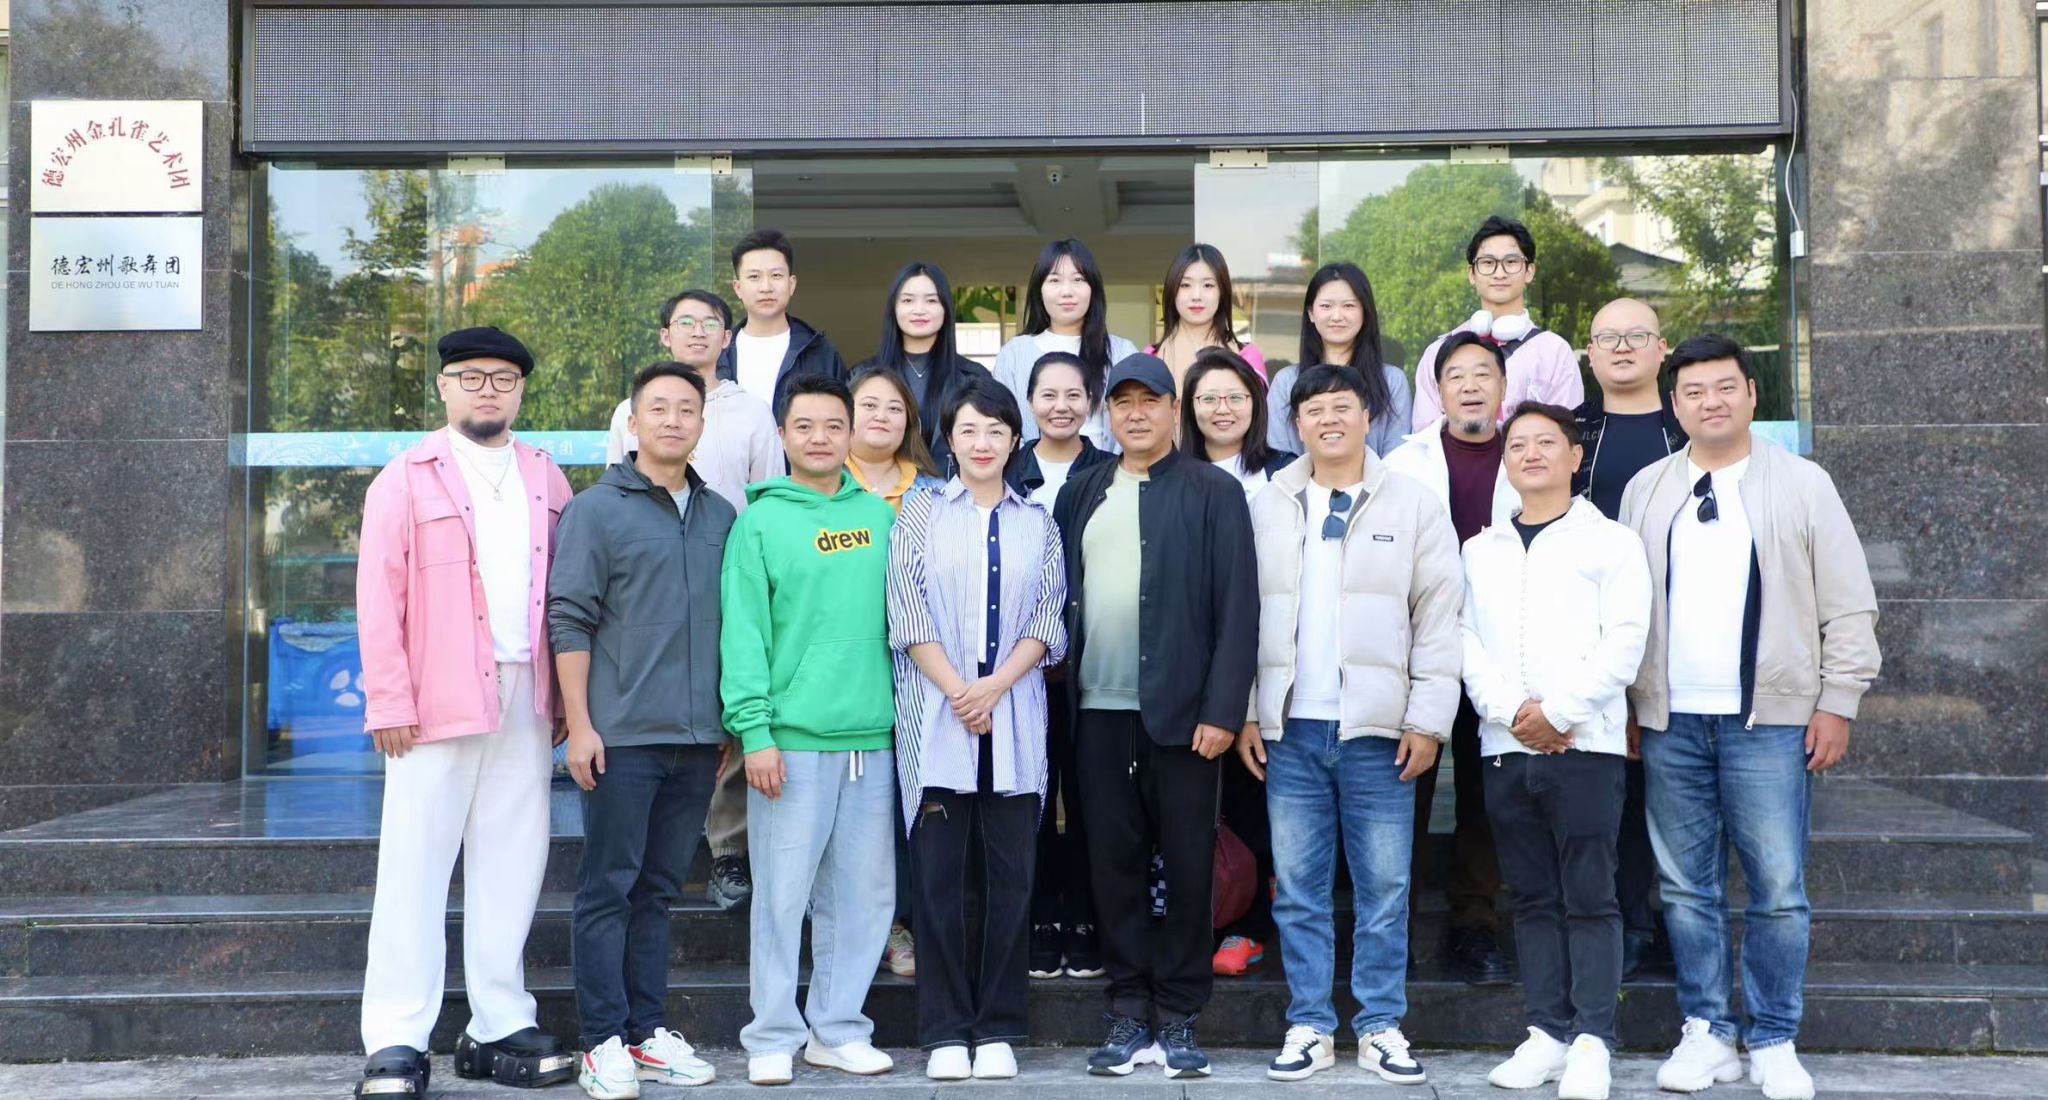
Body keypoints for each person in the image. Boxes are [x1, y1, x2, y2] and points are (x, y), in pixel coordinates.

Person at [1621, 335, 1880, 1100]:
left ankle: (1773, 1037)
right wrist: (1632, 704)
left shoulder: (1801, 484)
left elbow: (1849, 603)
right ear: (1674, 405)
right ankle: (1707, 1031)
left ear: (1751, 394)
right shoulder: (1647, 489)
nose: (1712, 402)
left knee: (1778, 886)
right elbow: (1627, 609)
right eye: (1695, 391)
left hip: (1770, 721)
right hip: (1671, 721)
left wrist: (1838, 702)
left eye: (1725, 387)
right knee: (1685, 889)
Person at [352, 326, 576, 1099]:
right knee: (414, 865)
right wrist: (389, 698)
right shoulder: (405, 478)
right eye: (472, 377)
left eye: (503, 378)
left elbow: (565, 594)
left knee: (513, 860)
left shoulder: (547, 477)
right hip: (433, 697)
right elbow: (378, 597)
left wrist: (564, 697)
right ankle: (396, 1035)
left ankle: (498, 1020)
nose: (488, 390)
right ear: (445, 387)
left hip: (525, 692)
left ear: (521, 391)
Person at [1236, 363, 1462, 1087]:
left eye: (1343, 407)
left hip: (1379, 732)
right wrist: (1248, 709)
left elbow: (1439, 618)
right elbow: (1242, 616)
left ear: (1369, 417)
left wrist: (1428, 719)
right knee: (1299, 889)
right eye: (1314, 409)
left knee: (1385, 890)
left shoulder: (1414, 504)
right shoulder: (1268, 504)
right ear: (1296, 423)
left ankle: (1380, 1025)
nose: (1329, 419)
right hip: (1293, 730)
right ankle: (1309, 1023)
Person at [1053, 353, 1258, 1080]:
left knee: (1189, 864)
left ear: (1175, 410)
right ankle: (1127, 1008)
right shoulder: (1081, 491)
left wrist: (1223, 710)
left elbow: (1239, 608)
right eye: (1123, 402)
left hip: (1186, 719)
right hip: (1097, 710)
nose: (1136, 414)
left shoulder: (1213, 492)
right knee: (1113, 864)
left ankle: (1179, 1013)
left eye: (1151, 401)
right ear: (1108, 414)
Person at [553, 363, 735, 1098]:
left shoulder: (721, 514)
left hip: (697, 739)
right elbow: (569, 619)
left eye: (686, 409)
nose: (672, 420)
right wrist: (579, 725)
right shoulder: (595, 510)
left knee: (658, 889)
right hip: (621, 737)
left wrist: (726, 725)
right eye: (657, 408)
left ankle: (645, 1032)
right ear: (632, 422)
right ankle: (601, 1042)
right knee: (609, 888)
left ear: (701, 424)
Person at [1461, 403, 1651, 1100]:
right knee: (1531, 897)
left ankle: (1594, 1040)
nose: (1532, 454)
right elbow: (1463, 639)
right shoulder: (1480, 549)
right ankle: (1546, 1033)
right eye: (1519, 445)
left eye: (1547, 442)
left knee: (1591, 896)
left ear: (1575, 457)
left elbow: (1625, 642)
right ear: (1506, 461)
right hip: (1504, 746)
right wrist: (1513, 714)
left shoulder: (1612, 543)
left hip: (1586, 747)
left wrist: (1557, 714)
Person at [886, 377, 1068, 1081]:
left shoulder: (1038, 522)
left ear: (1014, 440)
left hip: (1015, 719)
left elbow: (1048, 619)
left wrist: (993, 687)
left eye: (996, 430)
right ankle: (943, 1031)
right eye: (969, 430)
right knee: (937, 886)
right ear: (949, 439)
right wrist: (962, 692)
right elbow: (906, 614)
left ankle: (997, 1027)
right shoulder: (920, 515)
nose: (983, 442)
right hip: (937, 720)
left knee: (1010, 883)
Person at [722, 374, 902, 1087]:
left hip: (873, 737)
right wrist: (755, 733)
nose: (820, 437)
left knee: (862, 898)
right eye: (805, 425)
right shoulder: (759, 523)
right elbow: (743, 635)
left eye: (834, 425)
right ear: (783, 436)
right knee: (781, 896)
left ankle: (838, 1029)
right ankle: (772, 1034)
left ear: (851, 433)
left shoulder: (882, 518)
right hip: (790, 741)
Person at [604, 290, 781, 916]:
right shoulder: (631, 408)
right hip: (651, 581)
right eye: (685, 322)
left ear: (728, 338)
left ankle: (728, 849)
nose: (698, 332)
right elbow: (617, 492)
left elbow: (767, 494)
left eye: (711, 323)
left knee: (724, 699)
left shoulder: (752, 411)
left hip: (728, 570)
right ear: (665, 334)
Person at [1383, 329, 1519, 985]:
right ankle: (1395, 932)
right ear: (1437, 390)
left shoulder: (1528, 453)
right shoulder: (1403, 462)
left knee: (1484, 795)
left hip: (1499, 647)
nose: (1470, 385)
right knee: (1404, 790)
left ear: (1503, 386)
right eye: (1455, 375)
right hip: (1420, 647)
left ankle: (1475, 927)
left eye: (1482, 373)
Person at [1573, 297, 1689, 982]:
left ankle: (1675, 921)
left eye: (1636, 335)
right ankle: (1626, 924)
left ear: (1661, 348)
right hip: (1586, 637)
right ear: (1589, 354)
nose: (1622, 347)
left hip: (1678, 634)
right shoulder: (1571, 432)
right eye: (1607, 337)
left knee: (1671, 789)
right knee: (1607, 790)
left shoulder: (1690, 427)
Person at [1177, 346, 1290, 978]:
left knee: (1254, 792)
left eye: (1236, 397)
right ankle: (1199, 917)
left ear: (1257, 403)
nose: (1223, 409)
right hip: (1191, 659)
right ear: (1189, 408)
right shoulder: (1171, 473)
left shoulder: (1287, 475)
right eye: (1208, 398)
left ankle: (1248, 926)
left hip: (1272, 655)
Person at [1007, 350, 1113, 982]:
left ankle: (1087, 918)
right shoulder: (1007, 467)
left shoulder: (1110, 472)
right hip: (1016, 668)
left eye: (1074, 395)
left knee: (1093, 796)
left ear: (1090, 403)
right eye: (1048, 394)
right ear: (1030, 401)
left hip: (1092, 665)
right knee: (1033, 799)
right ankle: (1042, 918)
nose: (1061, 406)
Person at [843, 363, 944, 977]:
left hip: (921, 668)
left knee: (911, 798)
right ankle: (864, 925)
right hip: (845, 667)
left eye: (894, 408)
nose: (881, 417)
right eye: (869, 405)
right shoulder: (822, 483)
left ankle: (905, 920)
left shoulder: (935, 491)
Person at [1411, 216, 1584, 429]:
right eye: (1488, 263)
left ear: (1529, 271)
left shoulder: (1554, 352)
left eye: (1511, 262)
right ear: (1472, 274)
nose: (1499, 273)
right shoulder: (1438, 353)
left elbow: (1564, 434)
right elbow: (1425, 436)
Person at [994, 238, 1141, 449]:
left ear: (1093, 289)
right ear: (1039, 290)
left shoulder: (1122, 352)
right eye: (1055, 280)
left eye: (1078, 279)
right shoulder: (1015, 353)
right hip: (1032, 469)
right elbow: (1002, 424)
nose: (1067, 291)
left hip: (1108, 468)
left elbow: (1135, 420)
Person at [852, 262, 995, 477]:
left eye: (931, 300)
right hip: (880, 490)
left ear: (946, 308)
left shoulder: (973, 377)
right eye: (908, 300)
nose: (919, 310)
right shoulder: (861, 376)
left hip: (955, 491)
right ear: (894, 308)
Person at [1267, 262, 1413, 458]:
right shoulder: (1286, 382)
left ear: (1365, 312)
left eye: (1349, 306)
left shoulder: (1392, 381)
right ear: (1311, 313)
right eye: (1326, 306)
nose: (1337, 316)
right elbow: (1279, 457)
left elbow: (1397, 459)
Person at [720, 228, 847, 415]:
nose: (766, 287)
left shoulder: (820, 352)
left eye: (776, 275)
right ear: (738, 288)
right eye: (754, 277)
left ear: (791, 284)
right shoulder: (718, 352)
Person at [1146, 243, 1267, 386]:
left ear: (1222, 292)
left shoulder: (1247, 358)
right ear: (1172, 291)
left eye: (1208, 285)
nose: (1196, 296)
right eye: (1185, 285)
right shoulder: (1149, 358)